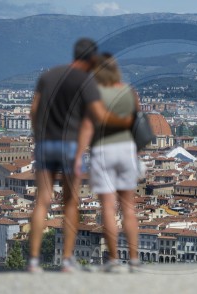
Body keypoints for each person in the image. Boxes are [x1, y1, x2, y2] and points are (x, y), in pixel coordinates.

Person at [28, 39, 132, 273]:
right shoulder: (86, 82)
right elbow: (97, 115)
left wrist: (39, 135)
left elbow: (33, 111)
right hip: (69, 146)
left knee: (42, 201)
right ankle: (66, 260)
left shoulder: (48, 76)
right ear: (92, 59)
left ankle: (33, 261)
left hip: (45, 143)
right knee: (70, 203)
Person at [75, 53, 140, 272]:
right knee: (128, 209)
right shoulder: (129, 92)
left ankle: (113, 261)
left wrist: (78, 156)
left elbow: (86, 127)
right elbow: (135, 124)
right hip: (127, 149)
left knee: (109, 209)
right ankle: (134, 260)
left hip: (104, 150)